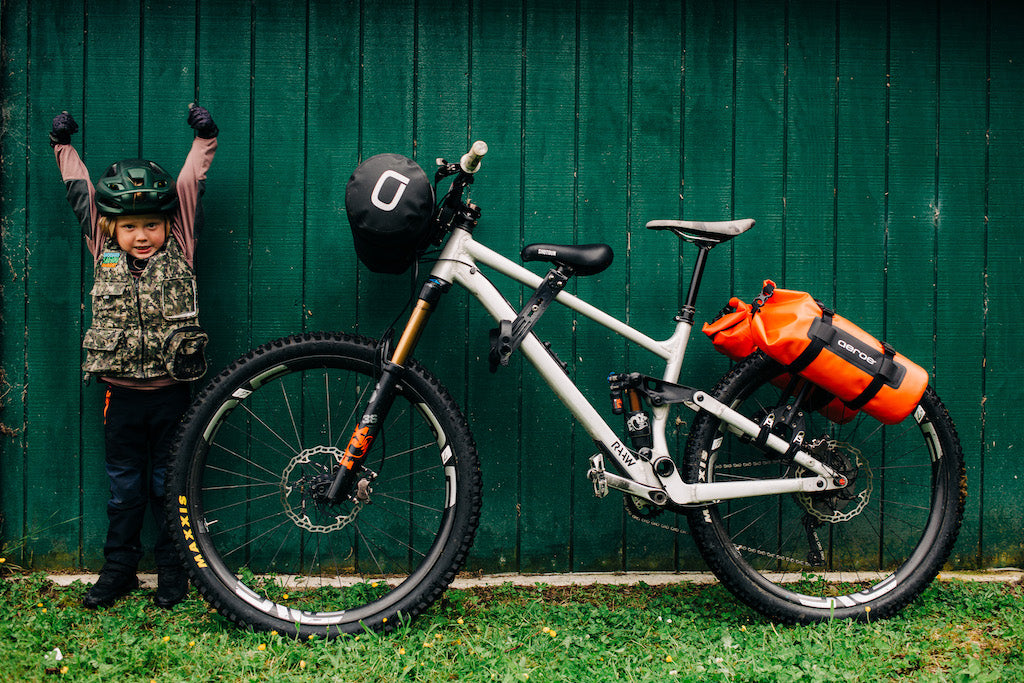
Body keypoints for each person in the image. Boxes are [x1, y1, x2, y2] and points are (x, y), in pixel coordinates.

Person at [50, 104, 218, 609]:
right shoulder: (101, 246)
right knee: (124, 490)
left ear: (167, 225)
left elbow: (190, 184)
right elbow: (80, 192)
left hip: (173, 397)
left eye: (150, 225)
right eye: (129, 228)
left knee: (171, 486)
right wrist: (63, 146)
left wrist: (204, 139)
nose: (141, 236)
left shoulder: (182, 244)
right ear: (111, 228)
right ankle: (119, 568)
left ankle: (173, 571)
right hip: (119, 401)